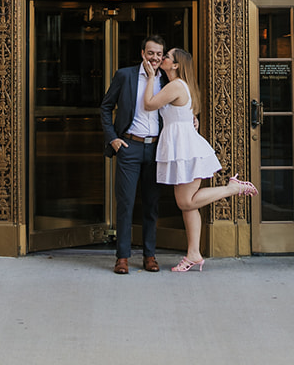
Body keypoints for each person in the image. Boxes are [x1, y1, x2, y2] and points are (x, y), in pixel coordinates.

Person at [143, 47, 257, 273]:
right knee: (188, 206)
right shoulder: (180, 85)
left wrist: (148, 77)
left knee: (186, 202)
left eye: (166, 57)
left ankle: (231, 189)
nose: (162, 58)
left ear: (175, 65)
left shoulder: (175, 85)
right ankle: (193, 254)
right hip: (182, 146)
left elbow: (149, 104)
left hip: (184, 149)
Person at [99, 33, 166, 274]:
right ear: (142, 54)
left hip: (157, 149)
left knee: (151, 204)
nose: (155, 58)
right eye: (151, 53)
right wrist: (113, 139)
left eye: (159, 54)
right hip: (130, 146)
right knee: (126, 203)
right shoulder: (125, 75)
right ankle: (123, 257)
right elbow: (106, 107)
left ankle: (150, 255)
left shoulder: (167, 80)